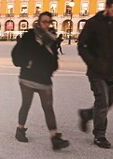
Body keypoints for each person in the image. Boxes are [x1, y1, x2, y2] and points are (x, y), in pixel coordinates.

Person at [11, 12, 69, 150]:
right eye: (44, 21)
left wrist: (51, 68)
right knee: (26, 104)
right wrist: (26, 64)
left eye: (49, 22)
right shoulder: (29, 36)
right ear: (38, 22)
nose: (46, 24)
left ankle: (55, 138)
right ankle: (20, 129)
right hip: (27, 78)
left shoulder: (52, 39)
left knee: (48, 108)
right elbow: (16, 54)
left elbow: (54, 59)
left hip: (44, 78)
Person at [77, 0, 113, 149]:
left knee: (111, 99)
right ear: (107, 8)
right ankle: (100, 135)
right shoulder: (93, 23)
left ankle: (86, 115)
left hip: (112, 71)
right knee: (102, 101)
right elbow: (82, 45)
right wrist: (92, 63)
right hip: (96, 71)